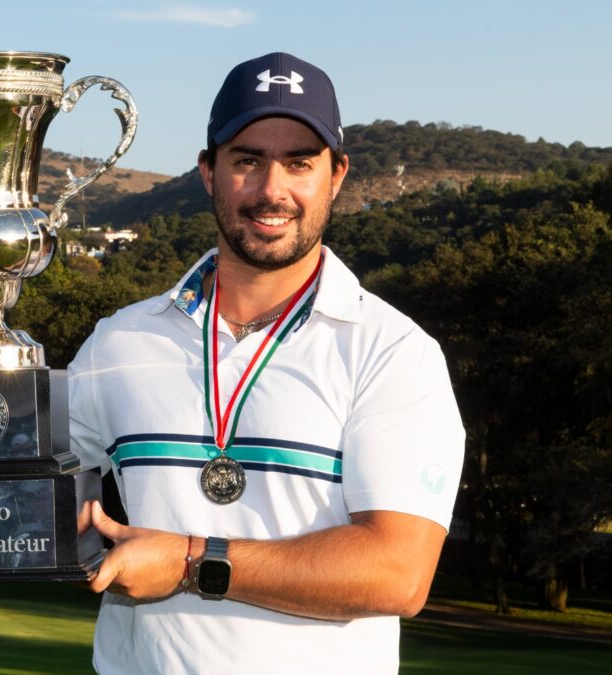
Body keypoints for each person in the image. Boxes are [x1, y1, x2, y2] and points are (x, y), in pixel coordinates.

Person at [67, 52, 465, 674]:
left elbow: (398, 573)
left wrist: (190, 561)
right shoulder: (120, 341)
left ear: (336, 176)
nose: (271, 191)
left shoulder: (392, 352)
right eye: (247, 161)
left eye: (299, 164)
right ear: (208, 172)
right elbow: (35, 492)